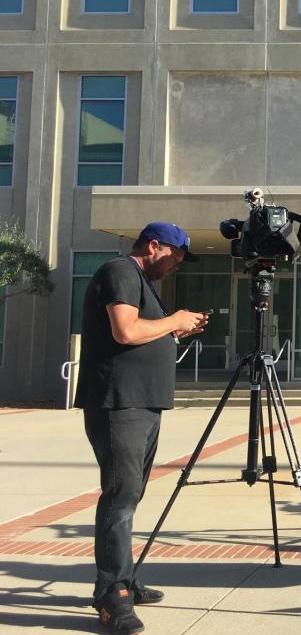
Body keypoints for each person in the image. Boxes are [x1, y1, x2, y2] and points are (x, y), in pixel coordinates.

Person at [76, 222, 209, 634]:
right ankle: (112, 596)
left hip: (141, 406)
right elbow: (126, 330)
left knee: (129, 495)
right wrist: (174, 320)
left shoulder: (141, 282)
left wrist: (176, 327)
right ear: (154, 246)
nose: (177, 266)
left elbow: (143, 332)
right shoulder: (120, 272)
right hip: (120, 405)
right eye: (175, 257)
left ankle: (125, 581)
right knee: (120, 498)